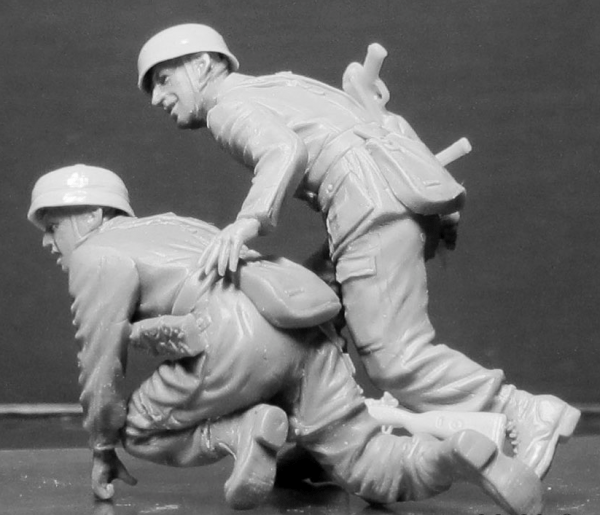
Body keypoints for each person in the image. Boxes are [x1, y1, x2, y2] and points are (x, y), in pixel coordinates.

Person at [135, 23, 581, 480]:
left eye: (164, 78)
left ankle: (522, 410)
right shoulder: (282, 83)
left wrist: (245, 224)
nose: (157, 98)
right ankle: (333, 436)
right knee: (306, 319)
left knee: (395, 358)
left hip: (366, 208)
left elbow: (283, 151)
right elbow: (376, 121)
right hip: (394, 194)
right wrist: (436, 206)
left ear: (204, 64)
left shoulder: (225, 107)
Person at [28, 164, 543, 515]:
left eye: (53, 225)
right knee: (362, 458)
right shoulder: (172, 225)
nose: (49, 242)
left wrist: (102, 440)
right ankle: (452, 455)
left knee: (137, 430)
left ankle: (242, 431)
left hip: (230, 339)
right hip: (302, 325)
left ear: (93, 215)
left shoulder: (96, 255)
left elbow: (101, 360)